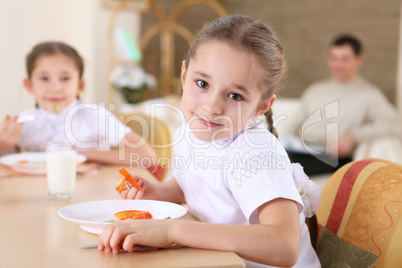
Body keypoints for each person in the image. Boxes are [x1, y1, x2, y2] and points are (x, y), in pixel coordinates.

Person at [98, 15, 321, 268]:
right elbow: (195, 185)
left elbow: (284, 246)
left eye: (235, 95)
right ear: (184, 76)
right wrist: (159, 192)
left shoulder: (255, 152)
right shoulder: (189, 130)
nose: (211, 106)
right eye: (202, 83)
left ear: (261, 106)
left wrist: (173, 232)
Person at [0, 41, 157, 166]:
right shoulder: (21, 124)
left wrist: (80, 155)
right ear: (29, 85)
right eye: (44, 78)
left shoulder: (94, 115)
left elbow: (146, 156)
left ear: (80, 85)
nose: (55, 88)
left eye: (65, 78)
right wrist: (2, 143)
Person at [286, 35, 402, 175]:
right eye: (333, 58)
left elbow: (395, 124)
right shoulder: (315, 90)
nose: (337, 65)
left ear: (359, 59)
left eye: (344, 59)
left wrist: (353, 136)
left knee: (286, 168)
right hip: (301, 150)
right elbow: (292, 127)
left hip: (333, 156)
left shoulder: (369, 94)